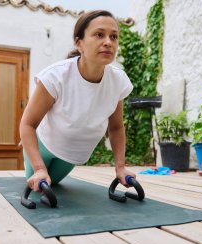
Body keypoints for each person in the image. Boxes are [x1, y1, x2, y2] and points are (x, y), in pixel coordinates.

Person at [19, 10, 136, 192]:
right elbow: (27, 124)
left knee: (54, 185)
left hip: (70, 155)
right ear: (79, 42)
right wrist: (39, 168)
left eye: (114, 37)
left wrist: (120, 167)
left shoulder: (118, 81)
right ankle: (29, 153)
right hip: (44, 144)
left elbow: (116, 127)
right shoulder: (55, 76)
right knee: (38, 186)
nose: (108, 42)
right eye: (99, 34)